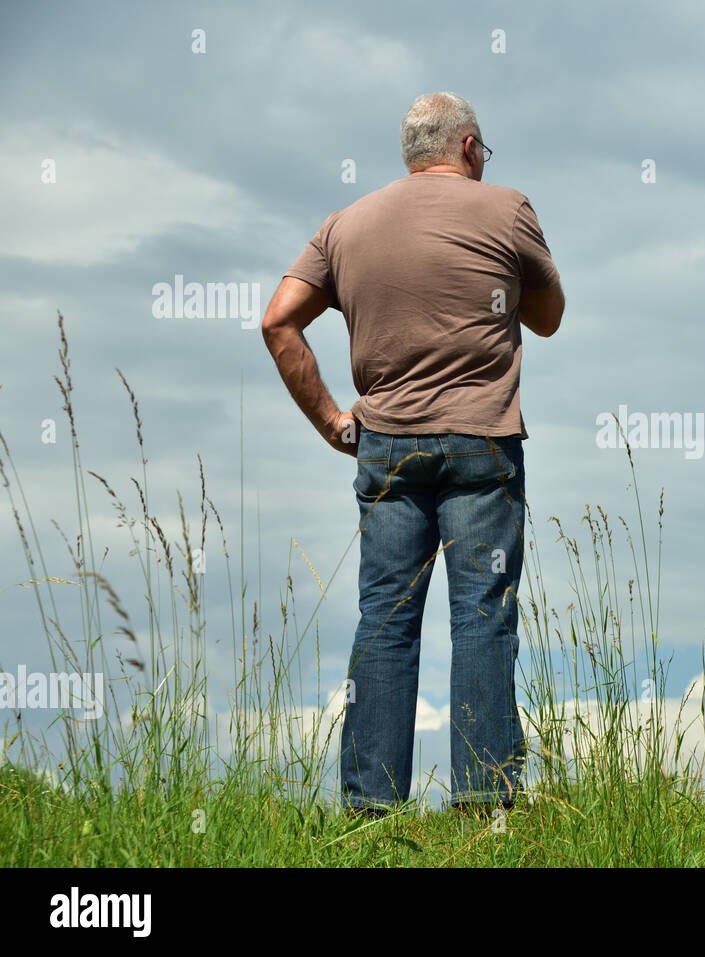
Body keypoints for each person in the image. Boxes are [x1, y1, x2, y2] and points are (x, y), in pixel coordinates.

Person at [260, 91, 565, 819]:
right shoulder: (508, 208)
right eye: (483, 153)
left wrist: (337, 423)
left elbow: (278, 322)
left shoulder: (347, 224)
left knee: (385, 620)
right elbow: (549, 318)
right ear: (468, 149)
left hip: (385, 448)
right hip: (480, 446)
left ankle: (369, 815)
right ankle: (485, 810)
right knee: (483, 616)